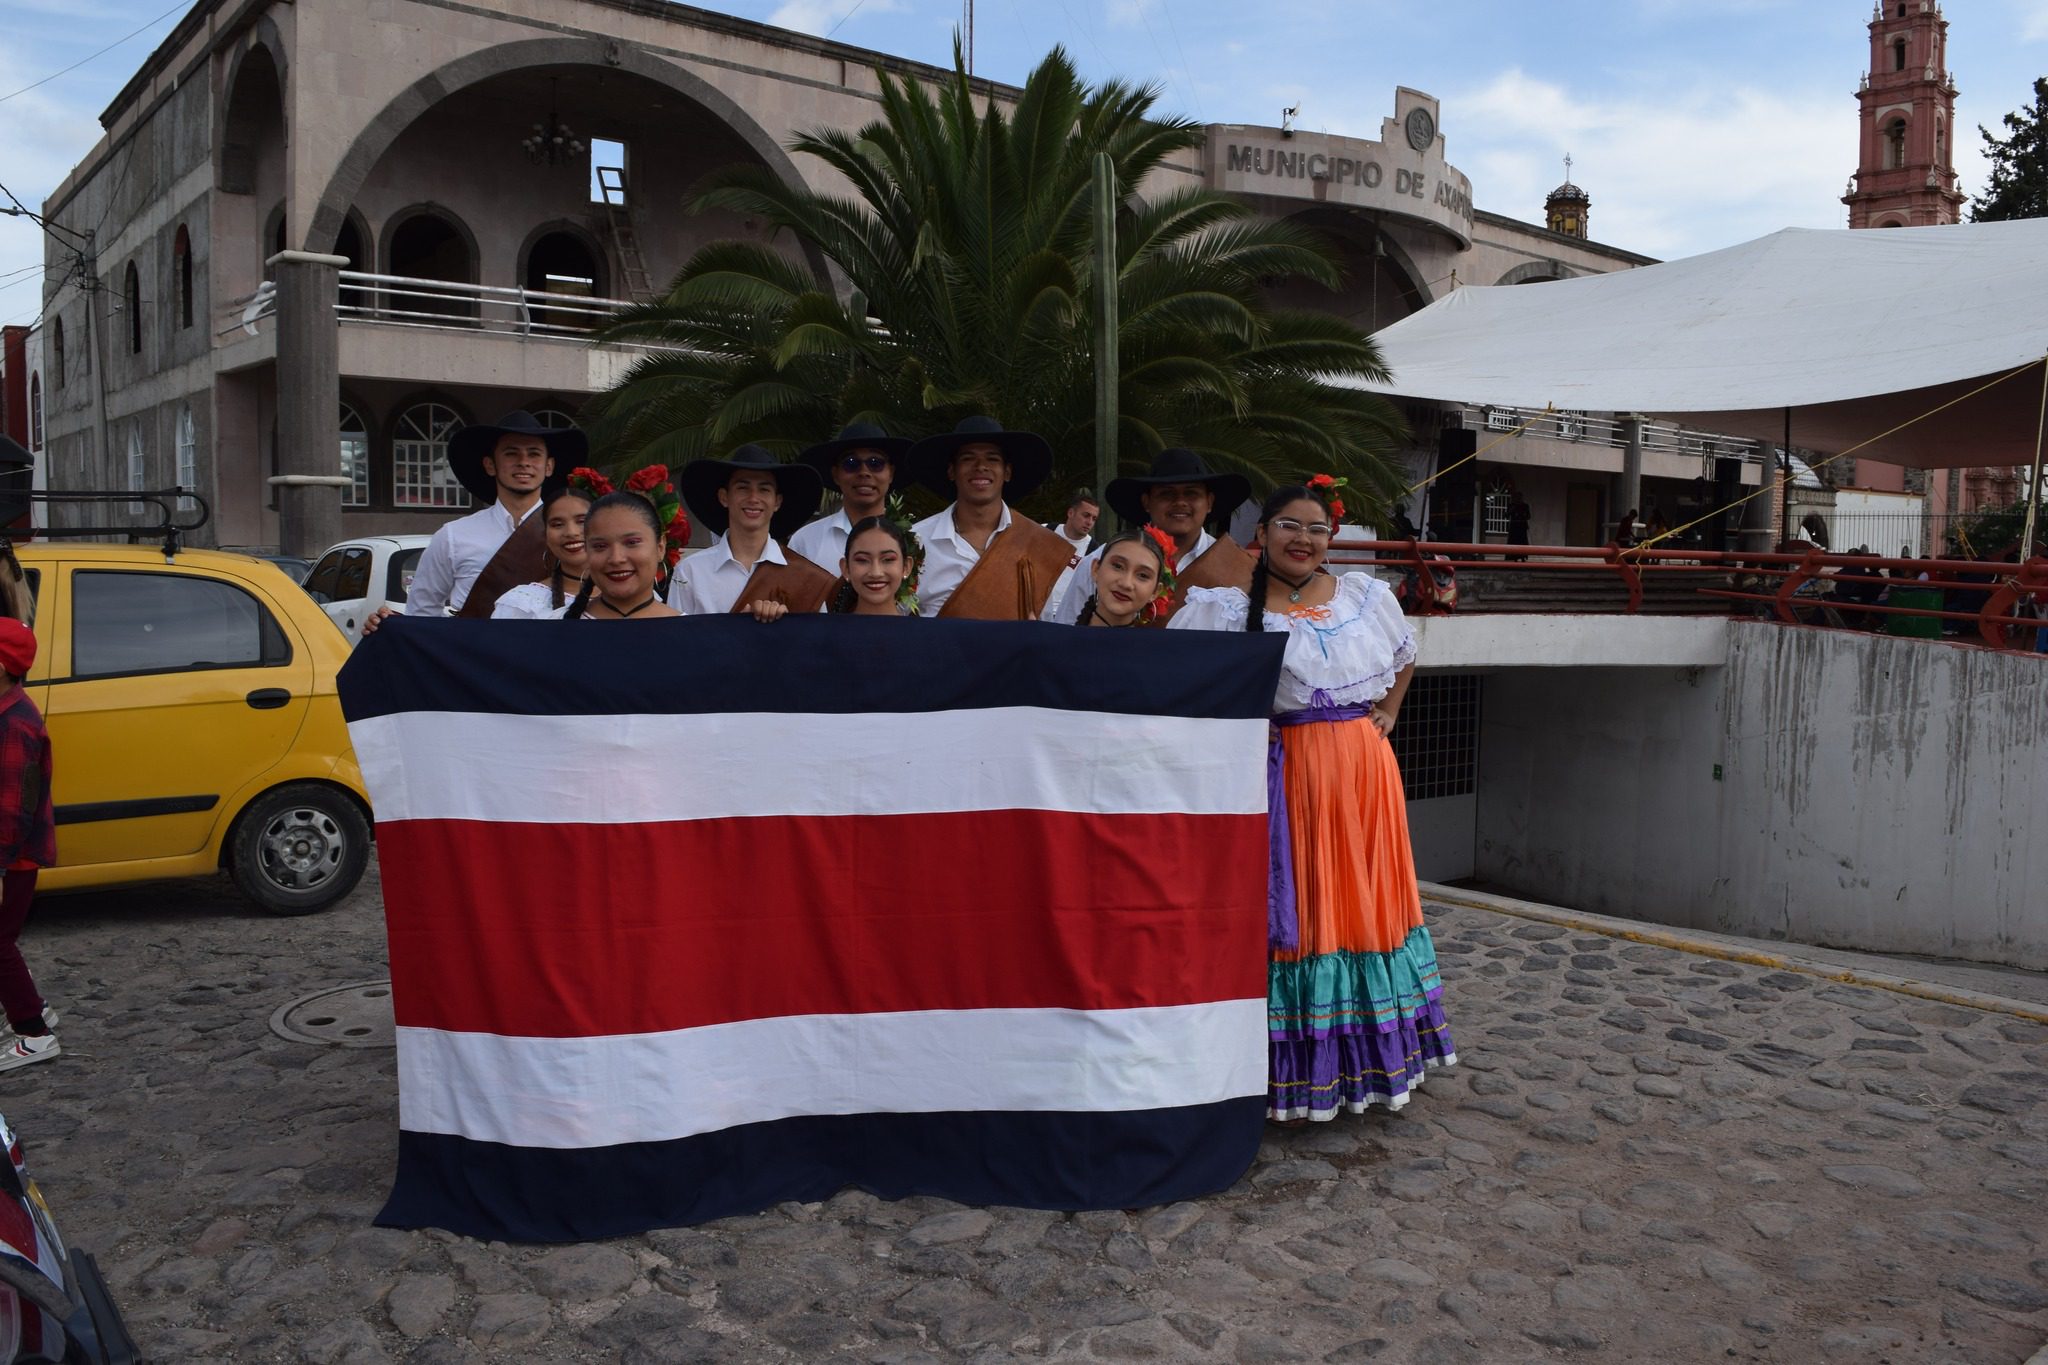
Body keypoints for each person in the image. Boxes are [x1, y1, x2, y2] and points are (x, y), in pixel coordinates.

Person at [1169, 483, 1457, 1121]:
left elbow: (1406, 655)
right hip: (1287, 777)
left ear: (1331, 537)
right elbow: (1187, 684)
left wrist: (1388, 711)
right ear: (1263, 532)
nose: (1304, 539)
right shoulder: (1223, 609)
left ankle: (1370, 1063)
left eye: (1317, 529)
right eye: (1289, 526)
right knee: (1302, 909)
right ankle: (1291, 1074)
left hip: (1365, 773)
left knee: (1365, 908)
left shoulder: (1364, 597)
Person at [383, 412, 582, 627]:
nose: (524, 462)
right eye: (511, 453)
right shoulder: (453, 536)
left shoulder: (575, 533)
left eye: (534, 454)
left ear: (549, 466)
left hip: (548, 653)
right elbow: (421, 614)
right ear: (490, 465)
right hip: (473, 656)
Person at [1047, 448, 1253, 625]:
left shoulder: (1238, 569)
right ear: (1147, 502)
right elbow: (1066, 633)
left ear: (1209, 502)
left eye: (1191, 493)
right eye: (1166, 494)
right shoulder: (1102, 561)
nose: (1180, 502)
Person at [906, 416, 1070, 618]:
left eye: (992, 459)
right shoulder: (915, 541)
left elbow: (1043, 625)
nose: (981, 466)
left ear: (1007, 472)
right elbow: (899, 623)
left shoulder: (1037, 543)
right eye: (968, 458)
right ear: (951, 471)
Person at [668, 446, 826, 616]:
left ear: (777, 502)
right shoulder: (691, 571)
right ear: (724, 497)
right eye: (743, 488)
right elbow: (677, 638)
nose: (753, 498)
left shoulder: (806, 576)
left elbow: (817, 640)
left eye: (764, 489)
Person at [0, 620, 58, 1073]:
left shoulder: (15, 725)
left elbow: (13, 808)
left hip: (10, 859)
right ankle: (33, 1008)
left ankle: (34, 1033)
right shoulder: (8, 712)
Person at [788, 422, 909, 571]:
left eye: (875, 463)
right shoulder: (806, 541)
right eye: (851, 463)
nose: (864, 472)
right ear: (835, 474)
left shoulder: (912, 540)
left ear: (890, 473)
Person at [561, 493, 683, 620]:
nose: (616, 558)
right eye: (600, 546)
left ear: (660, 547)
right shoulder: (553, 625)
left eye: (632, 543)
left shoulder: (690, 632)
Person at [491, 481, 595, 619]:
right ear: (545, 534)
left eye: (582, 521)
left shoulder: (627, 596)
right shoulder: (521, 604)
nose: (571, 532)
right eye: (557, 524)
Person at [1072, 527, 1174, 628]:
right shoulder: (1060, 641)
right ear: (1096, 569)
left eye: (1143, 575)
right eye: (1118, 566)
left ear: (1155, 591)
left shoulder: (1156, 644)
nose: (1126, 583)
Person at [829, 517, 923, 616]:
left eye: (888, 559)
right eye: (862, 560)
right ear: (846, 568)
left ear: (906, 567)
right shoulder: (824, 630)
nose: (875, 573)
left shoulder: (926, 631)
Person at [1044, 488, 1100, 610]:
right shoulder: (1045, 531)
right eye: (1086, 515)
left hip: (1065, 614)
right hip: (1035, 608)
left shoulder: (1093, 550)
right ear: (1070, 513)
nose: (1089, 522)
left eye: (1094, 518)